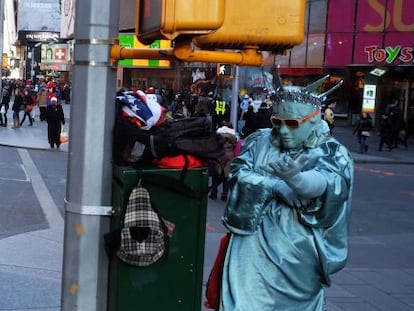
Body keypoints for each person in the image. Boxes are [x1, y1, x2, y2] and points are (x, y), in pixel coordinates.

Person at [218, 75, 353, 311]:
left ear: (313, 120)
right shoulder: (260, 141)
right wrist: (276, 185)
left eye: (292, 124)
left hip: (297, 254)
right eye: (276, 121)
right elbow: (237, 172)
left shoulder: (331, 151)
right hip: (251, 246)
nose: (282, 130)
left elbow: (329, 183)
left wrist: (299, 180)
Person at [209, 121, 237, 201]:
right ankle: (224, 194)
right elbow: (235, 146)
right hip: (229, 156)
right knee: (226, 177)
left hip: (218, 156)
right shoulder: (233, 136)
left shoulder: (218, 135)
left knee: (215, 176)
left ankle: (214, 193)